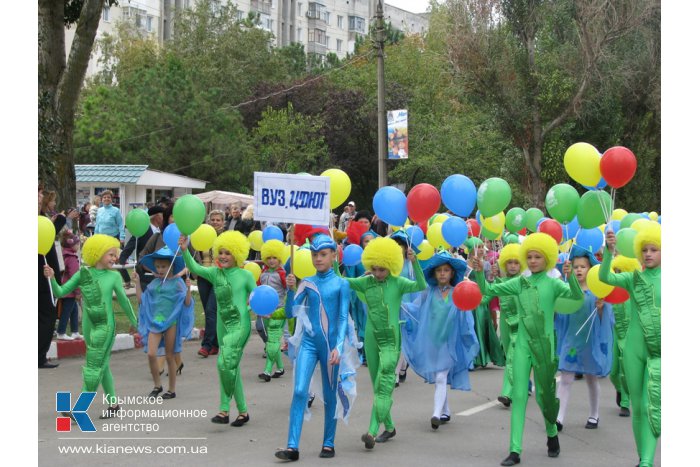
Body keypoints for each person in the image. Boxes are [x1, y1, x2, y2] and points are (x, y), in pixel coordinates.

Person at [470, 233, 584, 467]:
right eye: (529, 257)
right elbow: (489, 291)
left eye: (537, 257)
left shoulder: (553, 283)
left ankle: (551, 433)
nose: (532, 261)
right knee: (520, 396)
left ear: (548, 259)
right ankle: (515, 450)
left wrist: (571, 278)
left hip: (544, 346)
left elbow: (575, 296)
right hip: (522, 345)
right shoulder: (520, 282)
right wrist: (480, 272)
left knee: (544, 397)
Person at [43, 234, 138, 417]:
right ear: (98, 253)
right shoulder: (83, 274)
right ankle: (114, 405)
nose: (114, 258)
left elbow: (125, 303)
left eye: (114, 254)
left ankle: (80, 409)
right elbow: (61, 292)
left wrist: (136, 323)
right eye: (110, 254)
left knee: (95, 368)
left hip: (106, 327)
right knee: (103, 365)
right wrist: (53, 277)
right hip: (89, 327)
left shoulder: (114, 276)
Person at [275, 234, 350, 461]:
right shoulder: (307, 282)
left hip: (330, 345)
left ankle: (328, 443)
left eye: (323, 255)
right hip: (308, 342)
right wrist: (290, 290)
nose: (318, 259)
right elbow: (291, 312)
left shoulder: (342, 284)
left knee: (329, 395)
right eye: (315, 255)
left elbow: (344, 317)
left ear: (333, 256)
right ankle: (292, 447)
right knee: (299, 391)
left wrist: (338, 346)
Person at [346, 236, 426, 448]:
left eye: (382, 269)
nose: (378, 273)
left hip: (391, 339)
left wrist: (415, 262)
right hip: (371, 338)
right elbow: (341, 281)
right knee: (376, 385)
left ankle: (372, 431)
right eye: (374, 269)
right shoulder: (366, 281)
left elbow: (421, 284)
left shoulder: (398, 283)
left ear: (391, 265)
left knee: (383, 385)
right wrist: (337, 261)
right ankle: (389, 427)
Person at [179, 231, 256, 428]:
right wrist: (185, 250)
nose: (223, 256)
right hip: (222, 326)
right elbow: (195, 267)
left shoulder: (246, 275)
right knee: (231, 368)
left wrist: (249, 309)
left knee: (224, 363)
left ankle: (224, 408)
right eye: (220, 252)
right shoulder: (215, 273)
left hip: (240, 325)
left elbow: (257, 299)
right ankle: (242, 411)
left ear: (237, 254)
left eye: (228, 253)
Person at [599, 227, 661, 467]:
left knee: (650, 404)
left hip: (660, 351)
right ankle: (642, 457)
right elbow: (606, 278)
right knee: (637, 406)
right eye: (644, 250)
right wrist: (609, 253)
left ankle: (646, 461)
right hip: (634, 350)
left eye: (654, 250)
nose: (648, 254)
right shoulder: (633, 278)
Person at [402, 251, 479, 431]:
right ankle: (445, 410)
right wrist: (399, 303)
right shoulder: (428, 292)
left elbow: (466, 315)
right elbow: (414, 309)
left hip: (449, 342)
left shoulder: (458, 292)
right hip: (432, 342)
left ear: (452, 273)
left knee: (441, 376)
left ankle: (436, 413)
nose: (442, 273)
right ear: (434, 274)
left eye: (446, 270)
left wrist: (468, 336)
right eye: (439, 271)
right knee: (439, 377)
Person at [554, 248, 614, 431]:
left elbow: (607, 321)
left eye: (583, 267)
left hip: (590, 344)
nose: (579, 270)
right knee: (566, 377)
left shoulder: (598, 292)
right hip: (571, 343)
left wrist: (602, 308)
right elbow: (560, 315)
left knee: (591, 378)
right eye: (575, 266)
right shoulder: (568, 290)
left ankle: (594, 415)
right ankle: (558, 418)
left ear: (590, 269)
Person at [134, 247, 194, 400]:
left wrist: (188, 289)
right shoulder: (154, 283)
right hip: (156, 323)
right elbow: (142, 300)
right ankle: (157, 385)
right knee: (151, 354)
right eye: (158, 267)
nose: (160, 270)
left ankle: (171, 389)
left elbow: (187, 303)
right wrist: (137, 283)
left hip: (171, 322)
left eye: (163, 267)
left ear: (171, 267)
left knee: (169, 356)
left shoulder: (177, 283)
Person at [483, 243, 525, 407]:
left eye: (516, 262)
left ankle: (507, 392)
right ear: (504, 264)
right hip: (505, 325)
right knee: (511, 358)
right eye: (510, 262)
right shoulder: (501, 282)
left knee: (513, 359)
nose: (513, 266)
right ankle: (519, 387)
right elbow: (485, 297)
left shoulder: (524, 282)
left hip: (521, 325)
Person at [38, 184, 75, 368]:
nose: (40, 197)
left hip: (47, 272)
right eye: (38, 194)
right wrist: (61, 220)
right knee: (47, 314)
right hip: (43, 274)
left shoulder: (41, 217)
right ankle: (39, 356)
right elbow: (47, 235)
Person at [608, 254, 641, 418]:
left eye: (622, 271)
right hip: (615, 333)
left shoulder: (635, 290)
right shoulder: (610, 291)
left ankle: (625, 403)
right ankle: (620, 390)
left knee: (625, 369)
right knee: (613, 372)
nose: (618, 274)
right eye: (616, 270)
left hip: (630, 335)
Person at [195, 209, 226, 358]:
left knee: (211, 310)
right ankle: (215, 344)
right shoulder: (202, 234)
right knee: (209, 311)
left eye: (218, 220)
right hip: (203, 276)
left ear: (223, 222)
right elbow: (196, 253)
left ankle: (206, 345)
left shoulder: (227, 238)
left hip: (219, 277)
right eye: (212, 219)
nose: (215, 222)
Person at [258, 239, 288, 381]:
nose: (271, 261)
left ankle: (268, 370)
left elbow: (289, 289)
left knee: (272, 342)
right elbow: (257, 289)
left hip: (278, 312)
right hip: (265, 312)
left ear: (280, 258)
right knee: (272, 340)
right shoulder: (262, 273)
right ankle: (280, 368)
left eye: (274, 257)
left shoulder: (282, 273)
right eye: (268, 258)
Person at [119, 206, 164, 288]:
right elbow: (129, 247)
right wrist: (122, 261)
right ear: (157, 216)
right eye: (163, 215)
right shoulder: (143, 229)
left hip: (161, 273)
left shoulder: (162, 231)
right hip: (146, 274)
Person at [56, 230, 83, 341]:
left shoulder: (65, 255)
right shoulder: (72, 258)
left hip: (65, 288)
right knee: (67, 311)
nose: (79, 246)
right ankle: (61, 332)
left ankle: (75, 331)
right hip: (70, 290)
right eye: (77, 244)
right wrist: (78, 292)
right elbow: (75, 277)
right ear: (71, 245)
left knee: (74, 310)